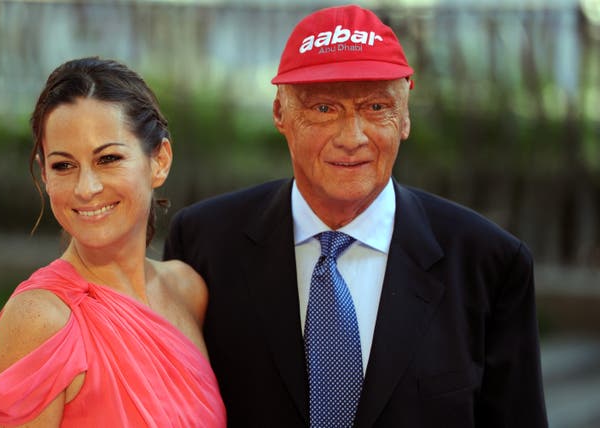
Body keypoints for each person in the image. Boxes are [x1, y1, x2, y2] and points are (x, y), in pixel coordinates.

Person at [164, 4, 548, 428]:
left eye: (376, 107)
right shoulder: (205, 243)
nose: (352, 138)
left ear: (405, 116)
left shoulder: (488, 262)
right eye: (324, 109)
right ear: (279, 115)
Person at [0, 57, 226, 427]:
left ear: (159, 161)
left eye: (108, 159)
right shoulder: (41, 321)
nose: (86, 188)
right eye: (63, 165)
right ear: (44, 174)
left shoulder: (187, 289)